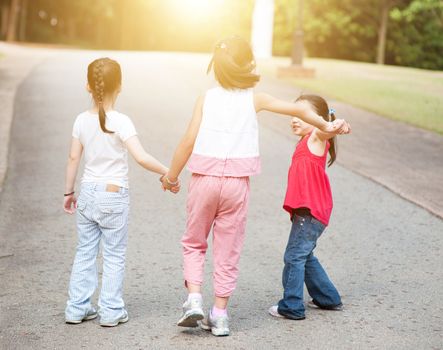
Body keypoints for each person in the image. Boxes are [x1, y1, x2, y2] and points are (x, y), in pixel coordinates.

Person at [161, 37, 350, 336]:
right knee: (228, 249)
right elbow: (297, 110)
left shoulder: (206, 98)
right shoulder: (255, 99)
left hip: (204, 180)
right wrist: (325, 124)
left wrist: (171, 177)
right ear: (249, 65)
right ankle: (220, 315)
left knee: (194, 242)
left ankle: (194, 298)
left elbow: (187, 141)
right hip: (236, 185)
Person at [63, 57, 176, 327]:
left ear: (88, 87)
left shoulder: (81, 120)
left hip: (88, 193)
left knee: (85, 251)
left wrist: (69, 192)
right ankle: (111, 311)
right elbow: (141, 156)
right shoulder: (121, 121)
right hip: (114, 195)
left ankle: (76, 309)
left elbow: (73, 158)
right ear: (120, 86)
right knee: (113, 253)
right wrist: (168, 172)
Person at [268, 94, 347, 321]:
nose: (295, 118)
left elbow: (326, 130)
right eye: (293, 114)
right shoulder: (306, 140)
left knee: (293, 256)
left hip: (310, 212)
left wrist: (335, 125)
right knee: (305, 255)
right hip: (309, 212)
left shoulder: (316, 136)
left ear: (319, 119)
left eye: (302, 114)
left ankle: (291, 306)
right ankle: (328, 298)